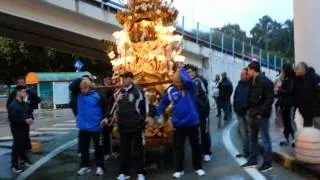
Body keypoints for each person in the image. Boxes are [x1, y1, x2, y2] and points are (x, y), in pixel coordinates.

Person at [154, 68, 205, 179]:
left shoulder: (190, 88)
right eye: (177, 83)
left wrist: (180, 71)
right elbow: (163, 103)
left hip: (192, 123)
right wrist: (158, 113)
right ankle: (179, 169)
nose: (179, 85)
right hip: (178, 125)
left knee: (195, 147)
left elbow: (188, 81)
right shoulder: (171, 90)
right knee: (178, 148)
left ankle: (198, 167)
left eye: (180, 82)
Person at [241, 61, 274, 172]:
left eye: (249, 70)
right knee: (253, 138)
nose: (247, 72)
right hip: (252, 114)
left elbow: (269, 100)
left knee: (265, 140)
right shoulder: (251, 81)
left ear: (253, 70)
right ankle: (253, 159)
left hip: (261, 116)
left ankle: (268, 163)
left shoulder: (265, 82)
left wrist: (260, 113)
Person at [114, 72, 147, 180]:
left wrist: (141, 121)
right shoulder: (118, 92)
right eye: (123, 78)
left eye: (127, 78)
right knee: (124, 151)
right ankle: (124, 172)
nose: (124, 80)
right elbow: (114, 107)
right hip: (123, 127)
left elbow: (144, 108)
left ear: (131, 79)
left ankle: (140, 172)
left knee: (138, 150)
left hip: (136, 126)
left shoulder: (139, 91)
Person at [76, 79, 107, 176]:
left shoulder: (98, 95)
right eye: (81, 88)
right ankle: (85, 166)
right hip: (83, 127)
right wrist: (84, 79)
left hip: (96, 127)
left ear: (90, 87)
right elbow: (72, 86)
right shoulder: (78, 96)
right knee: (83, 148)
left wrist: (105, 117)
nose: (83, 90)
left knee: (99, 148)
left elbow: (105, 107)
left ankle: (100, 167)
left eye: (85, 88)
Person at [184, 64, 212, 162]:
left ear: (194, 72)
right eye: (187, 73)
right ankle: (200, 151)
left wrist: (202, 107)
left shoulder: (198, 81)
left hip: (203, 111)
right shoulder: (188, 82)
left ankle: (207, 152)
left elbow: (202, 97)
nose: (189, 74)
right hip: (194, 113)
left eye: (190, 72)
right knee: (197, 133)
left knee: (204, 132)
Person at [7, 77, 41, 151]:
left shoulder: (29, 91)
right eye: (20, 82)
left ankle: (26, 149)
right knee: (18, 137)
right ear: (17, 84)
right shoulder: (14, 93)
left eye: (23, 82)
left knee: (25, 133)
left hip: (26, 115)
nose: (22, 84)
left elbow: (38, 100)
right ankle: (17, 155)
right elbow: (9, 105)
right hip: (17, 117)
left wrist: (30, 103)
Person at [8, 85, 34, 173]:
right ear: (18, 92)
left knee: (24, 144)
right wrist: (24, 120)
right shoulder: (13, 105)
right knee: (17, 146)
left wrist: (31, 118)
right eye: (23, 91)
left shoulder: (25, 104)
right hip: (17, 128)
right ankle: (14, 165)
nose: (25, 93)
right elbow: (12, 119)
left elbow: (29, 113)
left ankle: (24, 160)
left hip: (25, 128)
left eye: (25, 91)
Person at [294, 62, 320, 127]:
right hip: (305, 114)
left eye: (297, 68)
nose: (295, 70)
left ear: (303, 69)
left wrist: (314, 105)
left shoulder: (314, 77)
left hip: (316, 114)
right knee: (307, 134)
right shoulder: (298, 80)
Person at [233, 68, 251, 158]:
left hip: (247, 112)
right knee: (243, 133)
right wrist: (235, 108)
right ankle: (246, 151)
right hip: (239, 112)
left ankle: (252, 153)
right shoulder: (239, 84)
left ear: (247, 75)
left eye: (243, 74)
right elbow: (235, 96)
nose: (241, 75)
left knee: (250, 132)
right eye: (241, 74)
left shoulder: (251, 85)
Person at [277, 64, 296, 147]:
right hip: (284, 103)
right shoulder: (284, 78)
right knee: (285, 121)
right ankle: (287, 138)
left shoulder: (291, 78)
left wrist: (281, 90)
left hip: (290, 103)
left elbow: (289, 90)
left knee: (290, 121)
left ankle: (294, 138)